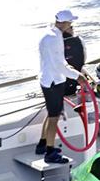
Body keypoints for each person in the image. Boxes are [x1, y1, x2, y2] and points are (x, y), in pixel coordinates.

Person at [36, 9, 88, 163]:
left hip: (48, 79)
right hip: (53, 82)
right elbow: (58, 65)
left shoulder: (51, 33)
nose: (71, 25)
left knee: (52, 112)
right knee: (54, 117)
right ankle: (50, 153)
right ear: (64, 23)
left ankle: (43, 143)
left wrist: (70, 68)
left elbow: (59, 61)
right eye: (70, 22)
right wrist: (77, 76)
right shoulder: (53, 39)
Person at [62, 27, 86, 96]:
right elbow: (84, 57)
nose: (73, 29)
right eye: (71, 27)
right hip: (79, 78)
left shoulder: (55, 43)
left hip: (63, 84)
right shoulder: (79, 40)